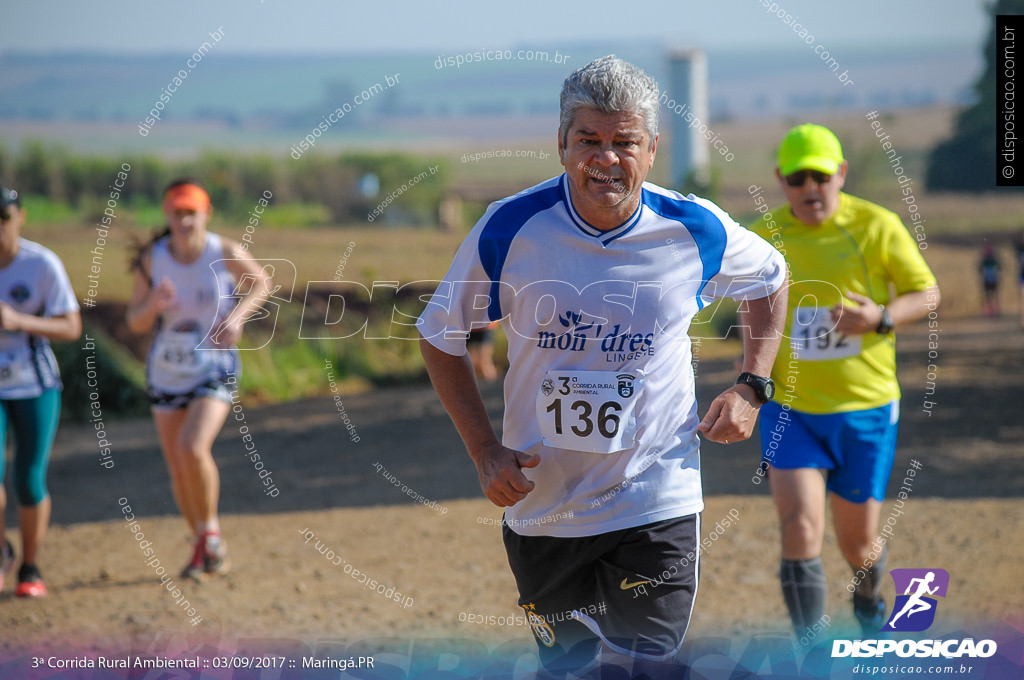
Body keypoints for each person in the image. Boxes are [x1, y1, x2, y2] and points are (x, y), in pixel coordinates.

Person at [418, 56, 788, 678]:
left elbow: (771, 279)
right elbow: (438, 336)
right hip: (542, 503)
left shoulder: (692, 229)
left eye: (625, 143)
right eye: (589, 140)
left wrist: (753, 385)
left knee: (644, 666)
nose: (606, 159)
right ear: (561, 144)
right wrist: (484, 449)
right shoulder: (511, 228)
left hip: (657, 496)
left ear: (652, 149)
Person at [749, 124, 940, 643]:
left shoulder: (876, 226)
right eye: (797, 177)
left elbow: (926, 292)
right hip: (789, 408)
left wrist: (880, 316)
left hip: (865, 409)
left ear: (841, 174)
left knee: (858, 545)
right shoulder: (764, 235)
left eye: (821, 175)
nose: (810, 186)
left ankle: (868, 593)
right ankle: (811, 656)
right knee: (800, 529)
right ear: (781, 180)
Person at [126, 179, 270, 581]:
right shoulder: (152, 259)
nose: (185, 220)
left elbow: (262, 283)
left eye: (192, 212)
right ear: (167, 215)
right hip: (167, 370)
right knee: (177, 465)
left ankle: (210, 535)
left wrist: (238, 318)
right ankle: (201, 542)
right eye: (177, 212)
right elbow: (135, 321)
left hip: (214, 365)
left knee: (192, 446)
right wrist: (153, 304)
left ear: (206, 214)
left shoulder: (222, 252)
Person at [0, 185, 81, 597]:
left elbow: (71, 326)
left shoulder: (41, 264)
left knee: (29, 479)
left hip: (34, 383)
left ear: (20, 217)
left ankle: (30, 566)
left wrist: (20, 321)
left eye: (3, 218)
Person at [978, 242, 1001, 317]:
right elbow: (980, 271)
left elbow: (999, 270)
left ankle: (995, 311)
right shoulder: (984, 261)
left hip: (993, 280)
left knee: (994, 296)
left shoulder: (994, 260)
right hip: (987, 280)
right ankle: (990, 311)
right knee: (988, 296)